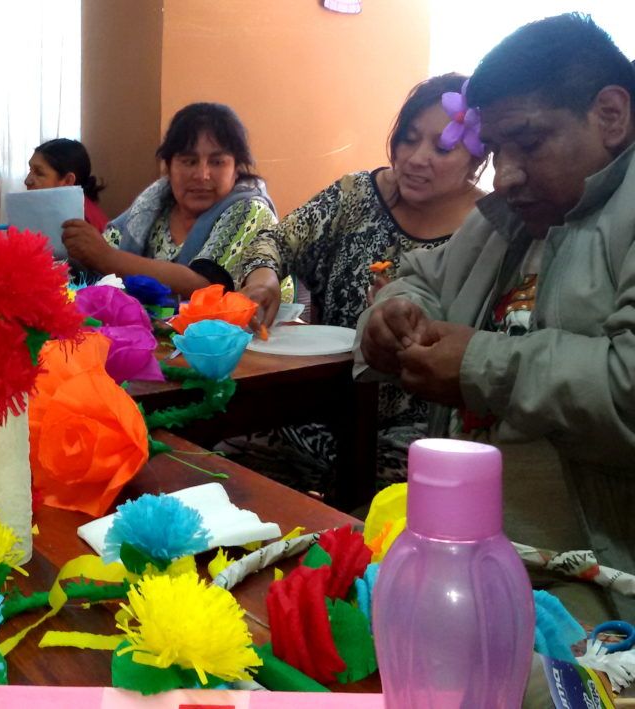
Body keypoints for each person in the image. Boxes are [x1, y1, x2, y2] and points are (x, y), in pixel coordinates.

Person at [357, 13, 635, 617]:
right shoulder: (503, 221)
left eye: (529, 143)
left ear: (611, 115)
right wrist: (394, 314)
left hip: (600, 578)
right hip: (466, 548)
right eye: (497, 151)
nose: (504, 176)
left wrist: (479, 363)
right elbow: (418, 277)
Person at [230, 74, 488, 488]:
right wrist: (264, 280)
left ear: (477, 158)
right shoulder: (356, 196)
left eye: (441, 147)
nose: (417, 158)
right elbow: (273, 240)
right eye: (408, 138)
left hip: (415, 441)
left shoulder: (490, 230)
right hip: (313, 407)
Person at [61, 102, 277, 296]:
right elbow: (100, 256)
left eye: (217, 162)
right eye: (189, 161)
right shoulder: (152, 206)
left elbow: (205, 286)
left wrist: (106, 257)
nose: (202, 175)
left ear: (237, 168)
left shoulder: (251, 210)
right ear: (168, 167)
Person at [25, 138, 109, 231]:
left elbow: (115, 242)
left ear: (68, 181)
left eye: (39, 173)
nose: (27, 181)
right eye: (30, 170)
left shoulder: (84, 221)